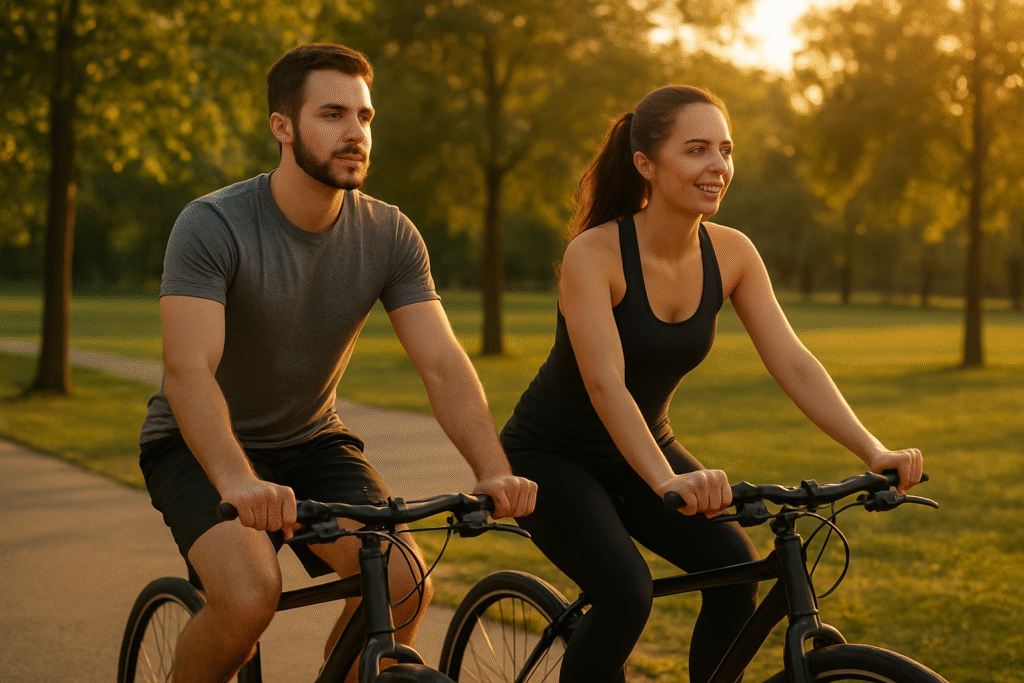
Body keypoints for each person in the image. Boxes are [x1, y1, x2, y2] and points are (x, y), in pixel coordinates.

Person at [138, 43, 536, 683]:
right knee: (247, 598)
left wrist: (493, 470)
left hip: (311, 442)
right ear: (282, 127)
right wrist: (239, 482)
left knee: (404, 580)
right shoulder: (212, 224)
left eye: (365, 117)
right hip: (196, 445)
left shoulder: (390, 233)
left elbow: (441, 363)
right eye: (332, 114)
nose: (355, 133)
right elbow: (189, 370)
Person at [499, 85, 924, 683]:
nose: (718, 167)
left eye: (725, 150)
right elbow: (605, 385)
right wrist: (668, 478)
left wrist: (872, 449)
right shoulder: (593, 255)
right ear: (646, 164)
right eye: (697, 150)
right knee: (626, 592)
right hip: (551, 455)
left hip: (645, 445)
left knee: (734, 577)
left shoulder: (733, 253)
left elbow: (793, 361)